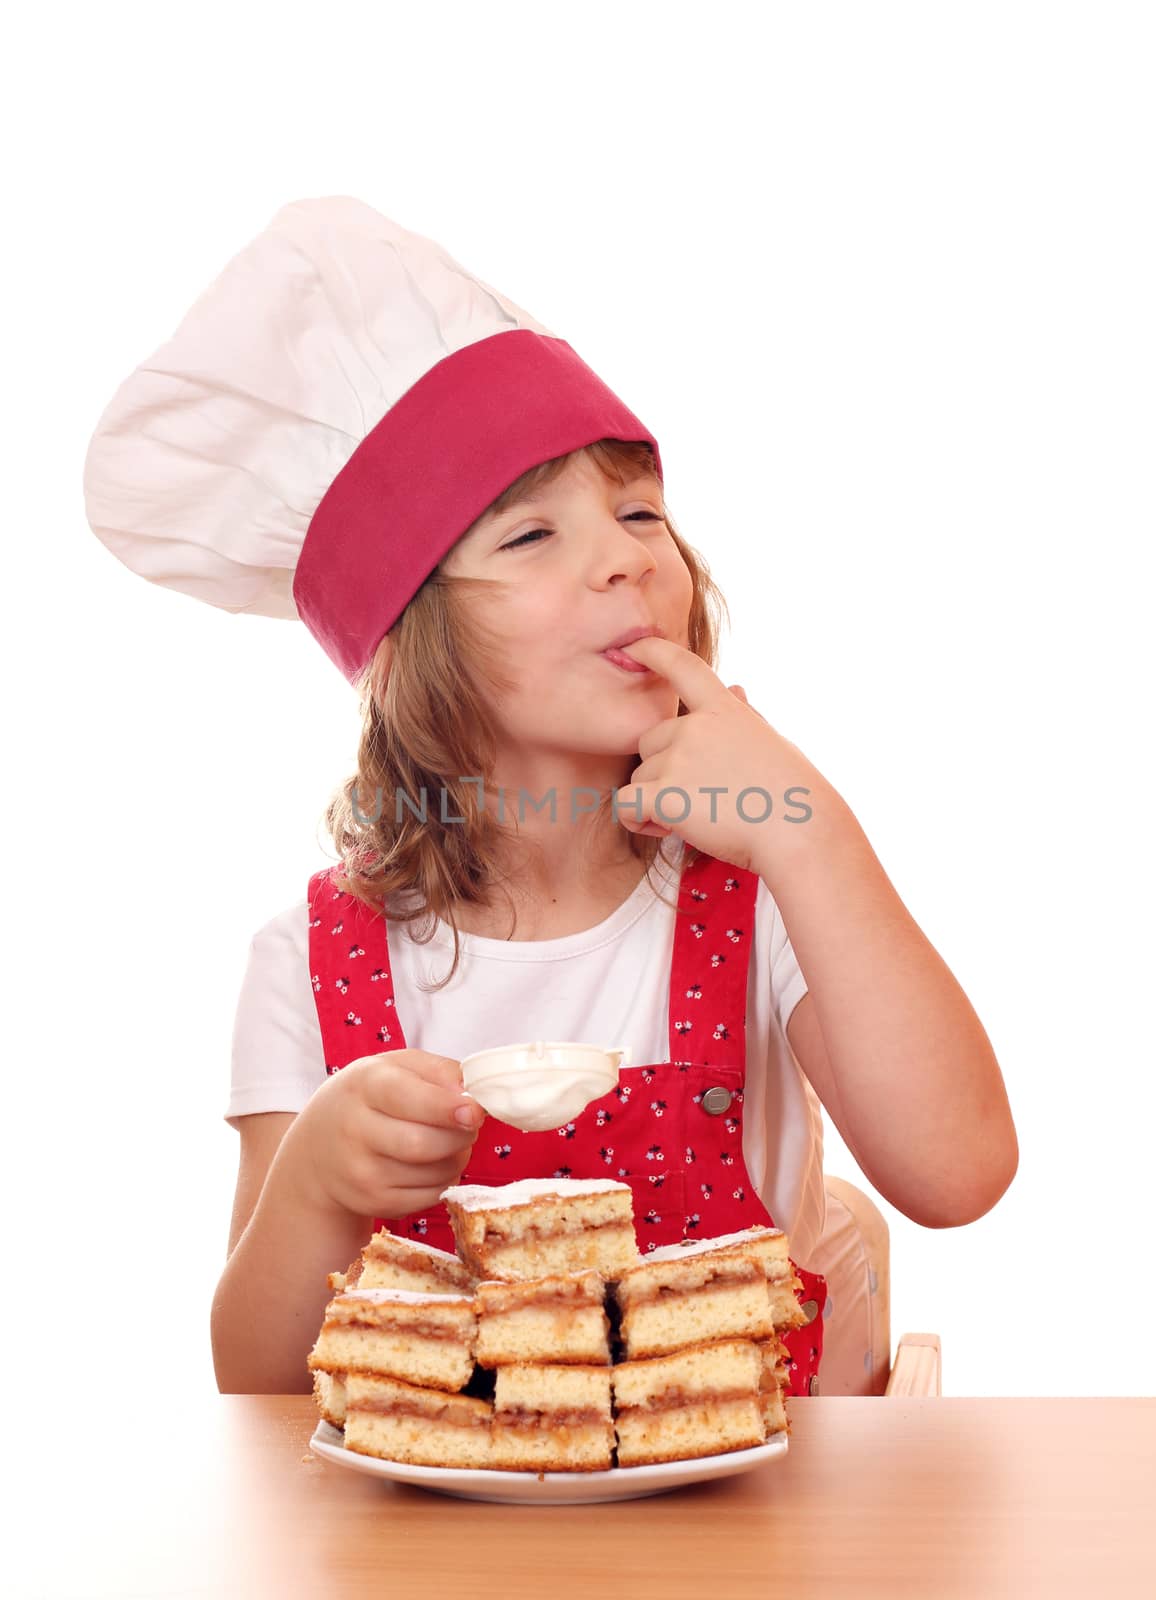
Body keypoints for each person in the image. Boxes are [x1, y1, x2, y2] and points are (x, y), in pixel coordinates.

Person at [82, 196, 1019, 1402]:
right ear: (413, 645)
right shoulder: (308, 962)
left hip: (756, 1559)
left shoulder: (765, 897)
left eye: (639, 511)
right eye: (530, 536)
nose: (625, 554)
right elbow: (256, 1392)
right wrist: (312, 1186)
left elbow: (960, 1173)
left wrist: (813, 828)